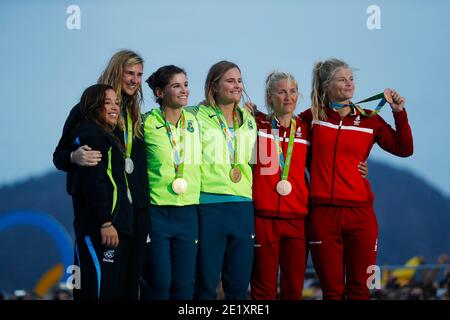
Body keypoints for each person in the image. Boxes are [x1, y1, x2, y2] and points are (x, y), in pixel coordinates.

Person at [249, 71, 368, 300]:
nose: (288, 97)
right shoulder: (256, 124)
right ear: (269, 95)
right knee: (263, 290)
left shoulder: (307, 126)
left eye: (293, 91)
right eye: (281, 91)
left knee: (293, 289)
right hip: (263, 218)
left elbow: (334, 151)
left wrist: (359, 166)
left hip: (298, 220)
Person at [302, 58, 413, 300]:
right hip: (323, 214)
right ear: (326, 86)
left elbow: (404, 148)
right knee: (332, 292)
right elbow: (282, 132)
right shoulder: (313, 117)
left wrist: (399, 112)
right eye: (342, 79)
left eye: (351, 78)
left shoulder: (370, 118)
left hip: (360, 215)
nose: (349, 83)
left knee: (360, 290)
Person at [53, 50, 149, 299]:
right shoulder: (89, 110)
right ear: (116, 71)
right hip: (104, 214)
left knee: (129, 287)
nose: (134, 80)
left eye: (139, 75)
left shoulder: (133, 112)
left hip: (135, 211)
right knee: (102, 288)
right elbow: (59, 155)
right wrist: (73, 157)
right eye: (129, 73)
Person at [187, 61, 257, 300]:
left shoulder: (249, 118)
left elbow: (258, 162)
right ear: (214, 86)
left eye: (239, 80)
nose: (237, 85)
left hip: (243, 205)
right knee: (206, 284)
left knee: (238, 286)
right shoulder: (195, 116)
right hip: (209, 206)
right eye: (230, 80)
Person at [141, 65, 201, 299]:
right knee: (160, 282)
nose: (184, 90)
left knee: (185, 284)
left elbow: (222, 108)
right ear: (159, 93)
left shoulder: (198, 120)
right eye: (176, 86)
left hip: (189, 212)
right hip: (157, 213)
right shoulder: (145, 123)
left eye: (185, 84)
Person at [70, 84, 133, 300]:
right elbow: (93, 182)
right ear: (94, 106)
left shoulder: (104, 134)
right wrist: (105, 222)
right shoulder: (92, 134)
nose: (115, 107)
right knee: (95, 290)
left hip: (110, 227)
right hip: (98, 229)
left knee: (107, 289)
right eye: (108, 103)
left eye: (117, 102)